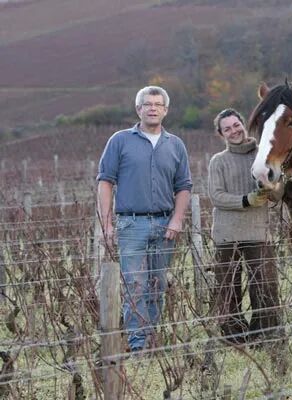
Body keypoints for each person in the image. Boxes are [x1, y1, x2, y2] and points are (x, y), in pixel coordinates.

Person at [97, 86, 193, 352]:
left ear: (165, 110)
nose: (152, 108)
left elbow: (184, 186)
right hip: (131, 224)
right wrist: (107, 224)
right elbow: (105, 182)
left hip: (165, 225)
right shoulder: (120, 141)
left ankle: (152, 340)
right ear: (138, 109)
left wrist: (177, 219)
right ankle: (139, 345)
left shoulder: (175, 145)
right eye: (147, 104)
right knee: (135, 285)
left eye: (158, 104)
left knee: (157, 284)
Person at [208, 108, 281, 345]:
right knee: (228, 288)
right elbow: (216, 196)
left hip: (258, 231)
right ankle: (234, 338)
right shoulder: (218, 161)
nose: (234, 131)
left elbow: (278, 194)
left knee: (264, 286)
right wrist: (246, 200)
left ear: (243, 124)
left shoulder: (264, 155)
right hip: (226, 234)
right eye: (227, 129)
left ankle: (265, 336)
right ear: (221, 134)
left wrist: (269, 187)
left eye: (236, 125)